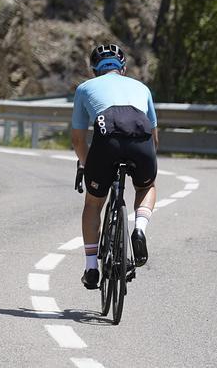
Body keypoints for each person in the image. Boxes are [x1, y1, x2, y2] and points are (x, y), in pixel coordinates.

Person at [71, 44, 159, 290]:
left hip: (106, 143)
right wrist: (145, 169)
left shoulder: (85, 88)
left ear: (93, 71)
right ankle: (139, 228)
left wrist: (88, 166)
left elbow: (78, 140)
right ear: (124, 68)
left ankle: (91, 267)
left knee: (93, 202)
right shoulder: (142, 88)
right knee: (146, 187)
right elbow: (154, 138)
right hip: (141, 144)